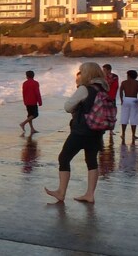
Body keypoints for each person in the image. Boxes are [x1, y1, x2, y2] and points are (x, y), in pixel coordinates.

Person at [45, 62, 108, 203]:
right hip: (97, 131)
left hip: (81, 131)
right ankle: (90, 194)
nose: (80, 73)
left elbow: (67, 107)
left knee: (64, 158)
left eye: (81, 71)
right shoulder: (103, 88)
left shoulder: (85, 89)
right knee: (91, 161)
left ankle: (61, 192)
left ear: (88, 73)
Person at [119, 70, 138, 142]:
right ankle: (133, 135)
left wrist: (122, 100)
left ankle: (123, 134)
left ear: (128, 75)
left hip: (126, 99)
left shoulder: (124, 82)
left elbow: (120, 91)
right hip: (134, 99)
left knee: (124, 117)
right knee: (134, 117)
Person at [104, 64, 120, 140]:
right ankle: (102, 129)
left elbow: (116, 86)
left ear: (109, 70)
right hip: (104, 97)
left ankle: (111, 130)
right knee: (103, 114)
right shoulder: (102, 77)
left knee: (112, 114)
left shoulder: (115, 77)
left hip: (111, 97)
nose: (103, 71)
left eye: (104, 70)